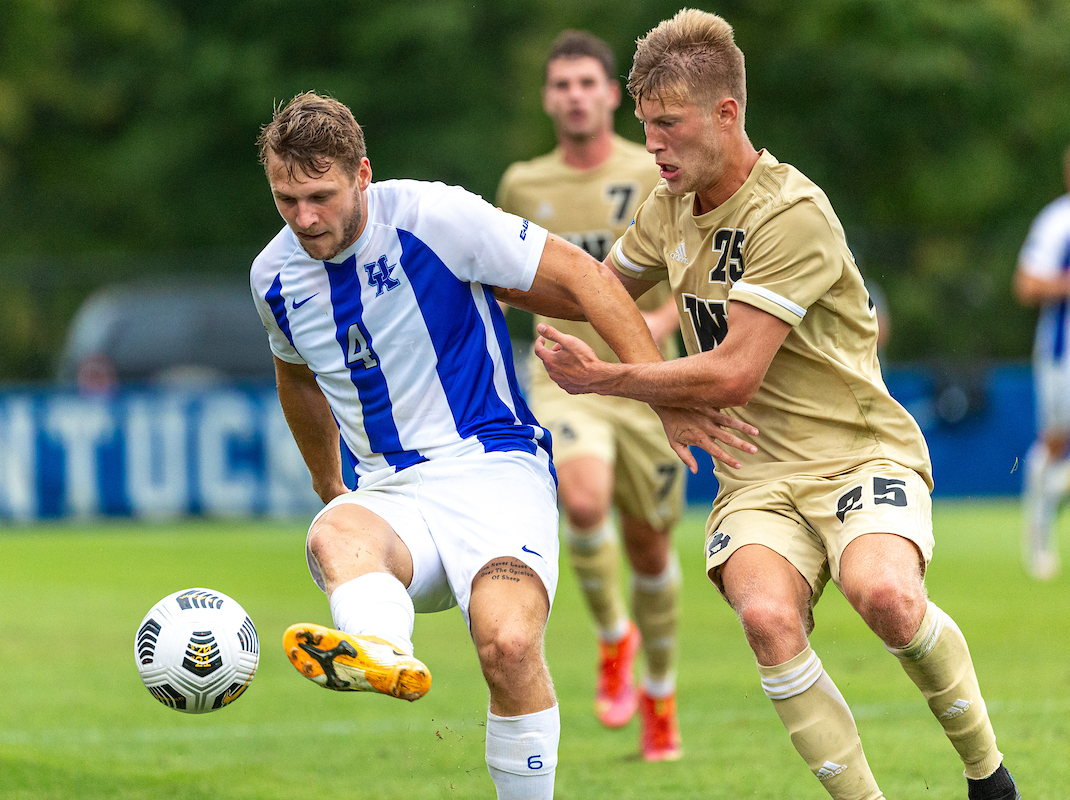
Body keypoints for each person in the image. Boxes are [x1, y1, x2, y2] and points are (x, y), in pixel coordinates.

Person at [502, 10, 1020, 800]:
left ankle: (990, 778)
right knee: (767, 620)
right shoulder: (667, 203)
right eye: (646, 126)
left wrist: (612, 381)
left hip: (857, 451)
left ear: (727, 113)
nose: (655, 146)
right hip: (755, 472)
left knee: (886, 596)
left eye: (668, 126)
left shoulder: (791, 214)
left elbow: (734, 374)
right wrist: (473, 274)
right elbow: (598, 288)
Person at [249, 91, 753, 800]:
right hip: (392, 494)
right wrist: (329, 483)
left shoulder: (434, 217)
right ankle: (383, 652)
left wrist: (663, 391)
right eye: (286, 199)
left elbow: (585, 278)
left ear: (362, 174)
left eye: (320, 196)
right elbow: (296, 377)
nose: (304, 218)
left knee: (508, 646)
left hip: (495, 469)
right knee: (335, 531)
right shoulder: (273, 278)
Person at [496, 30, 686, 761]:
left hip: (646, 380)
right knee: (579, 499)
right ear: (548, 98)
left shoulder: (657, 171)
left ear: (613, 96)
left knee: (648, 548)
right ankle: (613, 640)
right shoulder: (522, 183)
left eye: (588, 83)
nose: (575, 95)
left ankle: (660, 692)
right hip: (563, 374)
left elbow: (684, 274)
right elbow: (509, 275)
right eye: (562, 84)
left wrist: (651, 328)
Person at [1013, 143, 1070, 581]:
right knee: (1054, 445)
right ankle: (1037, 542)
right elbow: (1027, 284)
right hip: (1062, 355)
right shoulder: (1058, 221)